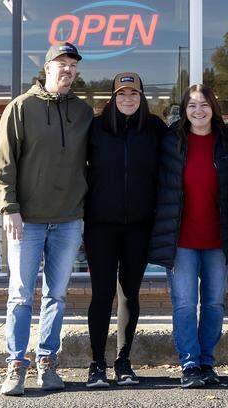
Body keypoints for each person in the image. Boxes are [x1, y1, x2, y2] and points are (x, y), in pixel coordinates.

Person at [0, 42, 94, 397]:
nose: (67, 70)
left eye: (73, 66)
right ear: (47, 67)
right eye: (61, 64)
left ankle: (48, 361)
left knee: (57, 295)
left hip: (68, 220)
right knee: (21, 296)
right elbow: (4, 167)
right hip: (28, 221)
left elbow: (93, 164)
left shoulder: (83, 113)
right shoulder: (21, 108)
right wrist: (10, 209)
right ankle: (15, 365)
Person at [149, 84, 228, 389]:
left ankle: (207, 362)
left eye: (204, 105)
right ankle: (189, 364)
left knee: (213, 304)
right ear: (184, 111)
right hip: (181, 239)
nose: (198, 111)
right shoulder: (171, 141)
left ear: (213, 107)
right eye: (192, 106)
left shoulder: (227, 141)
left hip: (217, 239)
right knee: (184, 304)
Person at [83, 72, 166, 389]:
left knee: (129, 294)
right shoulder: (96, 128)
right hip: (100, 226)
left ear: (142, 97)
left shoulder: (155, 129)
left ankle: (123, 362)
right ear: (112, 98)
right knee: (102, 294)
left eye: (133, 94)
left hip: (140, 226)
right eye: (121, 94)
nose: (127, 99)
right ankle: (97, 364)